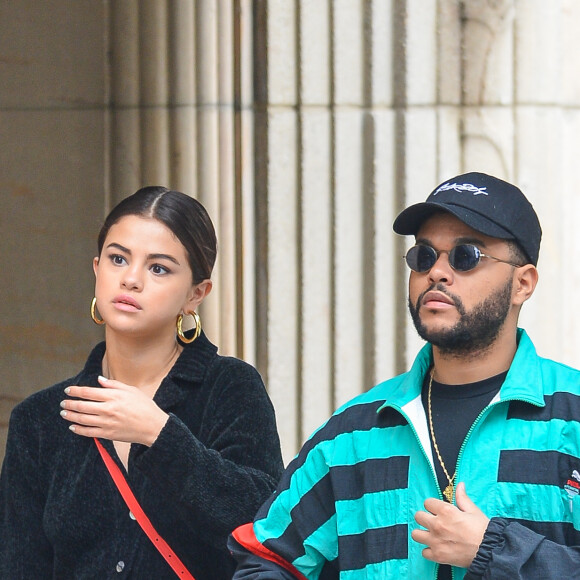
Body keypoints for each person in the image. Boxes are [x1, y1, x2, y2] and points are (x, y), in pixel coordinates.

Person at [228, 172, 580, 579]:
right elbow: (265, 558)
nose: (438, 273)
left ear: (523, 283)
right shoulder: (354, 433)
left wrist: (496, 550)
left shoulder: (571, 417)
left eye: (466, 256)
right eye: (424, 256)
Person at [0, 186, 284, 579]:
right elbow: (20, 566)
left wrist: (160, 435)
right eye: (118, 259)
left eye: (158, 268)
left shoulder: (230, 387)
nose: (131, 279)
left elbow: (265, 522)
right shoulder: (40, 420)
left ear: (196, 294)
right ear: (97, 269)